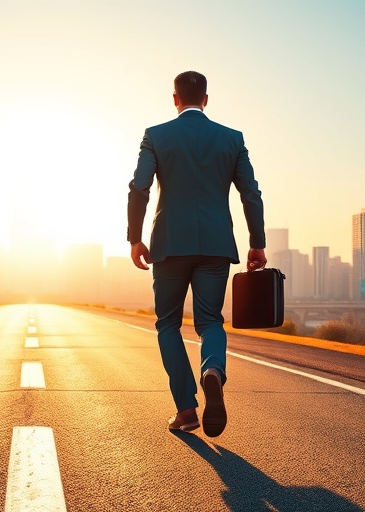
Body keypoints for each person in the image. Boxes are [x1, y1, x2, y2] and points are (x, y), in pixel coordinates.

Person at [127, 71, 267, 437]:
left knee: (168, 324)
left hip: (170, 244)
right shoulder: (232, 139)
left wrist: (134, 238)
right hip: (216, 245)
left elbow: (139, 189)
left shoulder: (156, 136)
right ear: (206, 99)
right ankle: (212, 371)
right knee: (209, 322)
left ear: (175, 99)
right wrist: (257, 242)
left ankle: (187, 410)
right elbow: (250, 193)